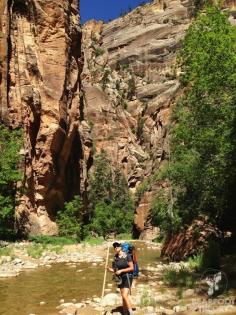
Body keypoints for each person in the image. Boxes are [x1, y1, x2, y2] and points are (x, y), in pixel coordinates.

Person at [107, 242, 134, 315]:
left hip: (128, 276)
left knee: (125, 295)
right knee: (123, 296)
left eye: (117, 246)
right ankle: (125, 313)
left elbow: (132, 268)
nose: (116, 247)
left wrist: (121, 270)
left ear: (121, 247)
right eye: (114, 247)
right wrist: (110, 270)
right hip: (120, 278)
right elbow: (115, 271)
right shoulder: (115, 257)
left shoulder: (127, 256)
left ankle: (131, 313)